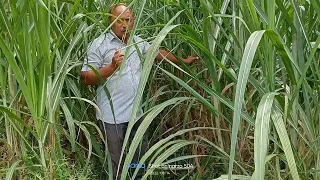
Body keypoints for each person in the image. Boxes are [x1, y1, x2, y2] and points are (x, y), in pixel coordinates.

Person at [80, 3, 199, 180]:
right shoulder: (99, 45)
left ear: (133, 21)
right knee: (117, 163)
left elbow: (158, 53)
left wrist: (183, 61)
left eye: (128, 20)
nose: (124, 25)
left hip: (136, 113)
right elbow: (85, 78)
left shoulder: (137, 42)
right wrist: (112, 67)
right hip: (111, 117)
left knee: (139, 159)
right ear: (110, 20)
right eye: (119, 21)